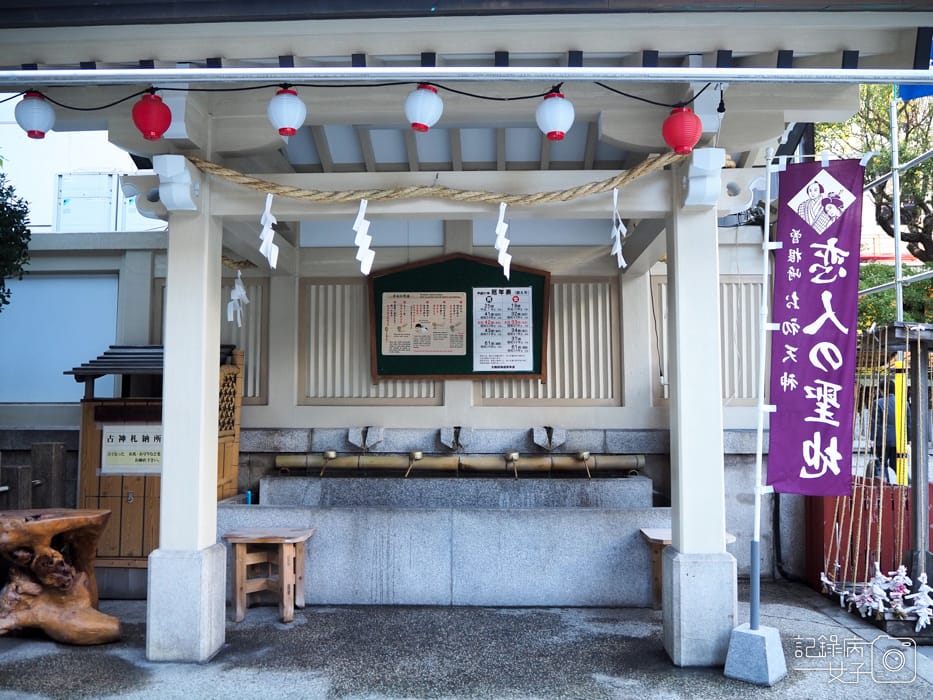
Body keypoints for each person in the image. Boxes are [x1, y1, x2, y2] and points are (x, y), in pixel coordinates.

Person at [871, 378, 910, 482]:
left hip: (883, 440)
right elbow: (908, 423)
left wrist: (872, 439)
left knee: (881, 465)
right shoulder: (904, 403)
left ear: (882, 390)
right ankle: (907, 485)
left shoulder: (878, 403)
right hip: (900, 440)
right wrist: (908, 439)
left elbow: (876, 423)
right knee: (898, 466)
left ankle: (884, 485)